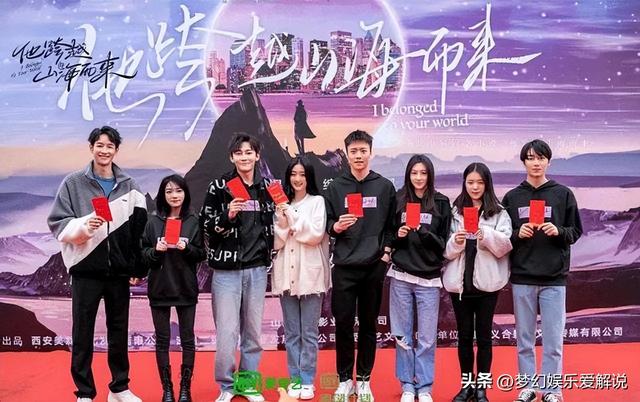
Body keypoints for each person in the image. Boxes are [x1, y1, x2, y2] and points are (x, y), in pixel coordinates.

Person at [47, 126, 147, 402]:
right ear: (91, 148)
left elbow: (140, 231)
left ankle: (119, 388)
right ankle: (85, 392)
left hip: (118, 273)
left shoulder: (130, 186)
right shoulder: (73, 183)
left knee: (119, 331)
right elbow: (57, 223)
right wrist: (83, 227)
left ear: (116, 150)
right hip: (85, 270)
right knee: (82, 332)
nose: (104, 150)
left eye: (109, 146)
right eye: (99, 145)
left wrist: (137, 268)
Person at [502, 140, 582, 402]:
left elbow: (575, 231)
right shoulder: (512, 197)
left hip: (554, 279)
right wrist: (518, 233)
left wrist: (558, 231)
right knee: (524, 340)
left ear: (549, 161)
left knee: (553, 341)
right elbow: (503, 236)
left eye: (540, 158)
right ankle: (527, 388)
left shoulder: (563, 194)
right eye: (530, 158)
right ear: (523, 162)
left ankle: (552, 391)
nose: (535, 163)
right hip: (522, 277)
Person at [199, 133, 276, 402]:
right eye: (239, 153)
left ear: (257, 155)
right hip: (226, 271)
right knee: (227, 333)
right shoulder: (220, 186)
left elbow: (275, 223)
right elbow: (206, 226)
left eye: (249, 152)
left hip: (257, 270)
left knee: (253, 333)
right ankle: (226, 385)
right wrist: (228, 215)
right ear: (232, 157)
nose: (244, 157)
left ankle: (247, 384)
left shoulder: (267, 187)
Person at [324, 130, 397, 402]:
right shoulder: (335, 187)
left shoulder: (384, 186)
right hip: (344, 266)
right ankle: (345, 380)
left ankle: (364, 379)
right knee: (343, 324)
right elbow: (327, 222)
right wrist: (336, 227)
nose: (358, 156)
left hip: (373, 266)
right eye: (353, 151)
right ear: (347, 154)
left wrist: (385, 254)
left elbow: (392, 225)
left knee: (368, 325)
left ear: (370, 152)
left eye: (363, 151)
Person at [443, 163, 513, 402]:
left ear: (487, 184)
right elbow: (445, 251)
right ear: (464, 183)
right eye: (470, 182)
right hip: (460, 286)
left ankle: (482, 387)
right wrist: (456, 241)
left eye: (480, 182)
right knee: (463, 338)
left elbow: (505, 246)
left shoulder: (499, 212)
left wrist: (487, 235)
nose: (475, 187)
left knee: (484, 338)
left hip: (487, 286)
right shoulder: (455, 212)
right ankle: (466, 386)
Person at [389, 155, 451, 402]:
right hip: (401, 276)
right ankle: (407, 385)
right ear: (408, 175)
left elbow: (444, 244)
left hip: (429, 280)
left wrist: (423, 233)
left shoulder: (441, 202)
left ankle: (424, 387)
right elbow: (388, 237)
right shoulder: (398, 199)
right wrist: (399, 234)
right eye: (414, 173)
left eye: (423, 173)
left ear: (430, 175)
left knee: (426, 338)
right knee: (402, 335)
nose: (418, 177)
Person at [141, 174, 205, 402]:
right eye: (169, 191)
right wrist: (155, 250)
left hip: (185, 287)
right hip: (159, 288)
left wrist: (186, 248)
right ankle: (167, 389)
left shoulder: (193, 221)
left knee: (187, 339)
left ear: (185, 193)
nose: (174, 195)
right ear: (163, 195)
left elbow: (202, 254)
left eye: (178, 190)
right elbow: (143, 254)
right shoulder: (153, 222)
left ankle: (185, 389)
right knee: (162, 340)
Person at [271, 157, 330, 400]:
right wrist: (282, 216)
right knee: (292, 333)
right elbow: (277, 240)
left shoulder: (317, 202)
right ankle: (294, 379)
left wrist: (291, 216)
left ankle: (307, 380)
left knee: (309, 332)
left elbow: (315, 234)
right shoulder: (281, 204)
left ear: (309, 177)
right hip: (286, 274)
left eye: (302, 174)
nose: (297, 179)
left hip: (310, 276)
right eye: (293, 174)